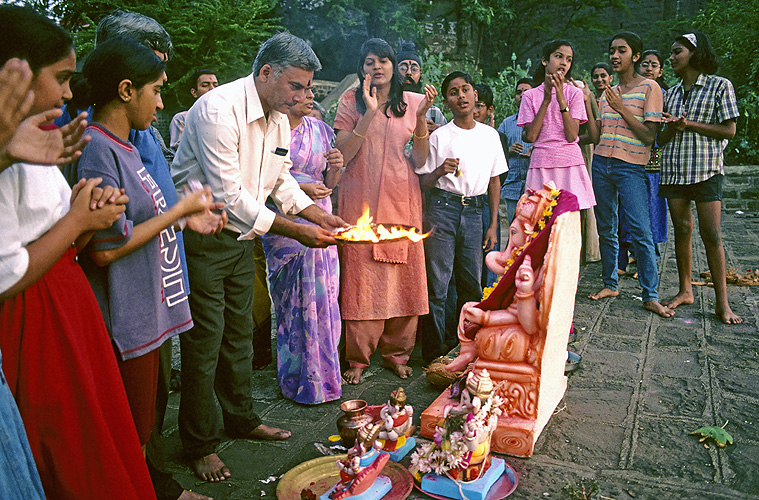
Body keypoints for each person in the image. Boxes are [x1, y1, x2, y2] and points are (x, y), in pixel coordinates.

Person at [171, 32, 347, 482]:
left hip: (242, 238)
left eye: (307, 87)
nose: (302, 96)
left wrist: (313, 214)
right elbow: (230, 196)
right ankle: (200, 442)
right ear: (265, 72)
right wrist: (298, 230)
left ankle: (242, 418)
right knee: (205, 341)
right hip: (204, 236)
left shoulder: (279, 117)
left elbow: (280, 179)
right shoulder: (216, 110)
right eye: (296, 86)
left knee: (241, 334)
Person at [0, 6, 156, 499]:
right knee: (68, 449)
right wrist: (77, 220)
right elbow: (8, 271)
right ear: (15, 73)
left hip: (67, 303)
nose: (70, 92)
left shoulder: (40, 135)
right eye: (62, 78)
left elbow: (52, 229)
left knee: (99, 435)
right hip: (36, 317)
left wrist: (87, 214)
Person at [91, 12, 216, 500]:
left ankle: (152, 478)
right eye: (156, 83)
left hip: (157, 289)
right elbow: (107, 242)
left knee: (150, 401)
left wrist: (188, 218)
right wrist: (180, 210)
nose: (162, 102)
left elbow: (151, 202)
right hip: (129, 302)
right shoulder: (96, 143)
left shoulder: (134, 135)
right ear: (124, 85)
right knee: (128, 412)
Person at [334, 38, 436, 384]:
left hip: (402, 200)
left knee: (403, 282)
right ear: (361, 69)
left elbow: (420, 162)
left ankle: (397, 354)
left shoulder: (414, 102)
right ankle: (358, 358)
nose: (376, 67)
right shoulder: (350, 101)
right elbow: (343, 155)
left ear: (394, 65)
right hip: (359, 203)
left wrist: (421, 120)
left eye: (383, 61)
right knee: (361, 282)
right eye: (368, 62)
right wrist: (370, 110)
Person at [260, 85, 344, 404]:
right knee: (290, 300)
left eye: (312, 91)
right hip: (284, 222)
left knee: (325, 298)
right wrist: (300, 186)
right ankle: (296, 376)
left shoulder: (322, 131)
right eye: (303, 89)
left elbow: (330, 183)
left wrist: (335, 167)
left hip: (321, 216)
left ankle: (325, 377)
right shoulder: (271, 130)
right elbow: (262, 182)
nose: (310, 96)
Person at [417, 71, 507, 363]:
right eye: (453, 92)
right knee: (438, 284)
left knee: (471, 283)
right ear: (446, 101)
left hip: (474, 213)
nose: (461, 96)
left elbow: (495, 182)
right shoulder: (439, 137)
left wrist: (492, 224)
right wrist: (440, 170)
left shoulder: (490, 136)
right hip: (442, 209)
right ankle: (434, 351)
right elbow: (423, 183)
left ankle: (467, 347)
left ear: (475, 95)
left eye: (465, 89)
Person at [583, 31, 673, 318]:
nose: (614, 55)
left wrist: (621, 108)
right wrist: (588, 102)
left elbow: (648, 136)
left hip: (631, 167)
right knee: (605, 227)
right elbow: (596, 135)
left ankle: (651, 295)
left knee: (640, 231)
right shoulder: (606, 94)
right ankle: (610, 283)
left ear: (635, 56)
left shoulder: (650, 89)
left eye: (622, 50)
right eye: (612, 50)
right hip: (601, 164)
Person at [657, 32, 741, 324]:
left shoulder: (720, 86)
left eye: (676, 52)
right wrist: (668, 126)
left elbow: (729, 130)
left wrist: (688, 123)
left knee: (712, 234)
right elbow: (663, 138)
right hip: (675, 170)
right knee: (681, 229)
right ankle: (685, 291)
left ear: (694, 53)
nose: (671, 58)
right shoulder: (672, 93)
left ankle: (723, 303)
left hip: (706, 170)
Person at [519, 40, 595, 211]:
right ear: (545, 60)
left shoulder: (574, 93)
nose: (563, 63)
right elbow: (530, 137)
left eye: (569, 59)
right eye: (559, 56)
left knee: (567, 224)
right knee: (538, 220)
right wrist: (546, 100)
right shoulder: (530, 96)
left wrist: (561, 97)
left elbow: (571, 136)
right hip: (541, 164)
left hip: (570, 164)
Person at [497, 77, 534, 225]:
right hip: (512, 185)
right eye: (519, 92)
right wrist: (508, 150)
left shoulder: (542, 121)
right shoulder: (507, 123)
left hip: (534, 186)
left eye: (527, 91)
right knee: (514, 228)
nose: (522, 95)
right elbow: (495, 152)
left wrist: (534, 150)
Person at [397, 42, 447, 132]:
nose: (409, 72)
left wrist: (435, 133)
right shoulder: (386, 107)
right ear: (394, 72)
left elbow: (445, 141)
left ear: (420, 75)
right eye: (403, 68)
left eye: (414, 69)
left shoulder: (433, 113)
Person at [170, 70, 219, 151]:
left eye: (215, 85)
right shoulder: (182, 118)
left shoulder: (225, 117)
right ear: (194, 92)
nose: (212, 89)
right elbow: (179, 149)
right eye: (205, 85)